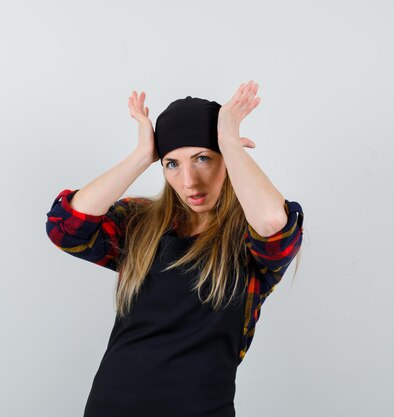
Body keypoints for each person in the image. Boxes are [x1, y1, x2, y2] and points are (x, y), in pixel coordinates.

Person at [45, 80, 304, 417]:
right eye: (172, 164)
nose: (189, 182)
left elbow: (273, 224)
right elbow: (65, 228)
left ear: (227, 157)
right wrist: (141, 156)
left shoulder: (249, 236)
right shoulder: (141, 224)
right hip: (111, 406)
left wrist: (228, 140)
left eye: (203, 158)